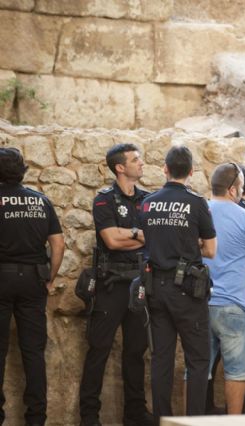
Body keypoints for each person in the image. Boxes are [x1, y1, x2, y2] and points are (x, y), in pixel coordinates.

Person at [78, 143, 152, 426]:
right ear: (120, 167)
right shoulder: (104, 199)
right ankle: (89, 417)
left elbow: (153, 238)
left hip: (139, 284)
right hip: (110, 284)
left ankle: (135, 415)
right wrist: (139, 233)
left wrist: (132, 236)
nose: (141, 163)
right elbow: (110, 240)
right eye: (136, 159)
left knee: (136, 352)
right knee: (99, 350)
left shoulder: (147, 200)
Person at [140, 146, 217, 422]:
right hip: (187, 291)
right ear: (192, 172)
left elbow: (146, 238)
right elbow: (210, 250)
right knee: (197, 359)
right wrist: (191, 242)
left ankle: (164, 419)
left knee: (161, 359)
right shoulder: (197, 203)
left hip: (156, 288)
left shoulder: (148, 202)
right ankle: (193, 420)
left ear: (165, 169)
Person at [0, 148, 64, 426]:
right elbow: (58, 243)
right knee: (34, 352)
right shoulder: (41, 201)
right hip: (34, 281)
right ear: (23, 170)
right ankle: (36, 419)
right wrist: (50, 277)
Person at [204, 163, 245, 414]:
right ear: (233, 190)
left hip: (199, 303)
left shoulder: (200, 211)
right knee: (237, 371)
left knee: (197, 369)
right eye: (242, 187)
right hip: (235, 304)